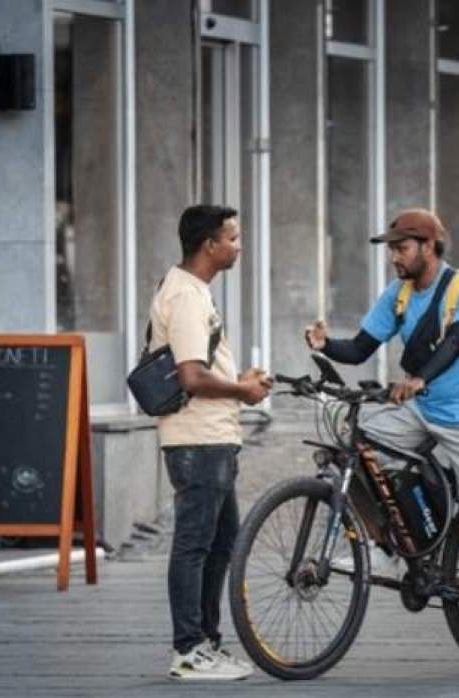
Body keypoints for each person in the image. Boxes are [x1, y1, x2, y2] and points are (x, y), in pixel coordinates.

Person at [303, 208, 459, 678]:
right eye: (391, 249)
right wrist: (326, 345)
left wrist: (419, 379)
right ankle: (388, 544)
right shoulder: (399, 294)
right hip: (422, 412)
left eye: (401, 248)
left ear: (429, 247)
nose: (394, 257)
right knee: (350, 445)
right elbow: (360, 348)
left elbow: (455, 342)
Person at [149, 204, 272, 681]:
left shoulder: (193, 290)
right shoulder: (185, 295)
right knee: (195, 544)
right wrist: (242, 390)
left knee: (221, 543)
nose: (238, 246)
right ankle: (188, 650)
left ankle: (206, 643)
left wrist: (239, 381)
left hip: (212, 437)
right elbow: (192, 377)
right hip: (197, 439)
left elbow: (200, 368)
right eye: (233, 238)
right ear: (209, 245)